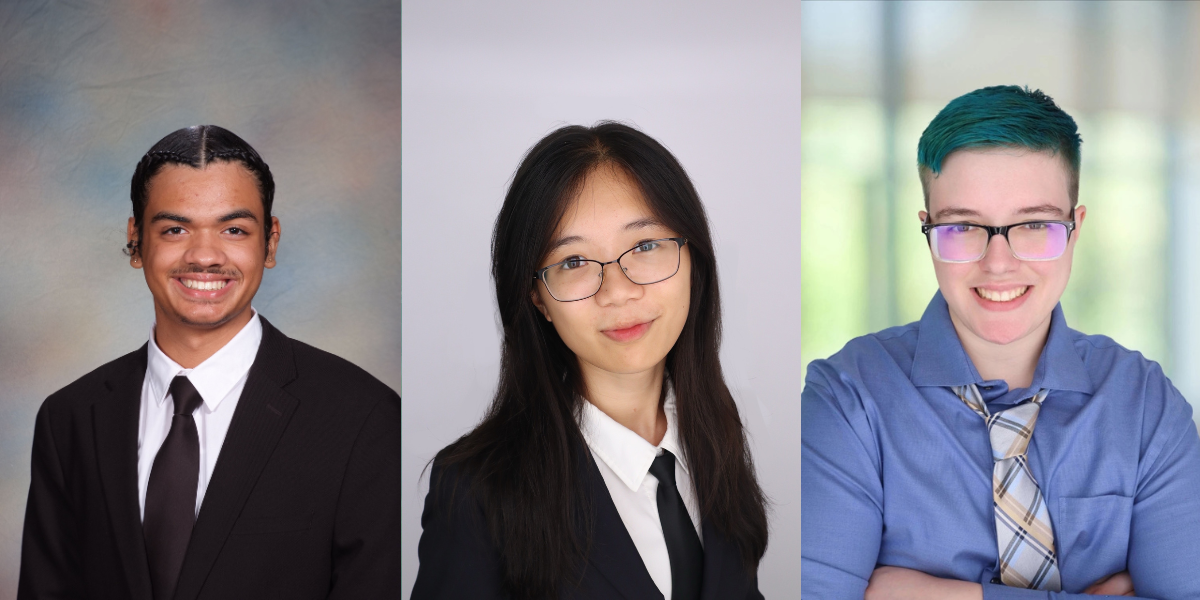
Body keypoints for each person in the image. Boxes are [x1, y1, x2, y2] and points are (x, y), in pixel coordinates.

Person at [801, 85, 1200, 599]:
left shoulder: (1144, 405)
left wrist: (951, 595)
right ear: (928, 232)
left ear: (1075, 228)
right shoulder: (847, 398)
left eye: (1034, 224)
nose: (998, 263)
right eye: (963, 226)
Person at [18, 125, 401, 599]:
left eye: (234, 229)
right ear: (136, 241)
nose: (204, 256)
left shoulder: (361, 418)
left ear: (271, 242)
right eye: (175, 229)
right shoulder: (70, 418)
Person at [411, 122, 768, 599]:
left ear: (693, 260)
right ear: (537, 297)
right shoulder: (475, 492)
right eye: (574, 262)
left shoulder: (718, 434)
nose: (618, 291)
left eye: (644, 246)